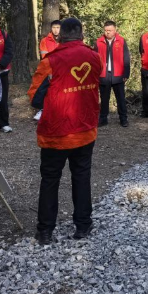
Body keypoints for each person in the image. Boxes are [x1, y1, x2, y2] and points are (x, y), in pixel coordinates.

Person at [27, 18, 102, 245]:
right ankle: (83, 225)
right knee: (82, 176)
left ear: (60, 36)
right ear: (81, 34)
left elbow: (35, 97)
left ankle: (45, 231)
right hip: (85, 130)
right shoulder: (94, 57)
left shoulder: (51, 61)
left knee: (50, 179)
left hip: (56, 134)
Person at [95, 20, 131, 128]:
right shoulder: (99, 42)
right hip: (103, 75)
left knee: (121, 98)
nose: (108, 32)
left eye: (110, 30)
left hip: (118, 74)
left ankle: (123, 119)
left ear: (115, 30)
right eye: (106, 30)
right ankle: (103, 119)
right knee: (104, 99)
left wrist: (126, 73)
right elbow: (94, 59)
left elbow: (126, 58)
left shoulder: (121, 41)